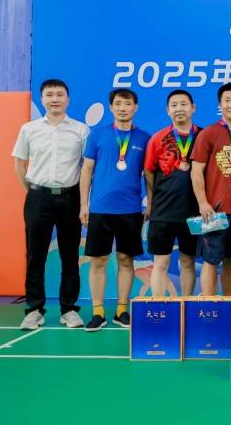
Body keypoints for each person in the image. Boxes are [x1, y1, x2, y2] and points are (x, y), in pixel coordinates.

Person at [12, 79, 89, 330]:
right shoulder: (29, 129)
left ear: (68, 99)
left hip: (70, 198)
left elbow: (87, 167)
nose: (55, 99)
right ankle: (34, 309)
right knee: (36, 256)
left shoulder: (81, 130)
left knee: (70, 256)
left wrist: (83, 201)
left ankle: (69, 309)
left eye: (59, 94)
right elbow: (18, 164)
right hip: (38, 197)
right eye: (49, 94)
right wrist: (33, 193)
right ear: (42, 99)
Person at [79, 89, 150, 331]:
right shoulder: (98, 135)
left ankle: (122, 310)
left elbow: (149, 175)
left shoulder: (144, 138)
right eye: (118, 104)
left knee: (125, 260)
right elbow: (86, 171)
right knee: (98, 260)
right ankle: (98, 312)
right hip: (100, 209)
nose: (122, 108)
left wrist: (150, 202)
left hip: (130, 210)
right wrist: (84, 204)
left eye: (127, 104)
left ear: (135, 107)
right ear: (111, 107)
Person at [191, 83, 231, 296]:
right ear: (220, 105)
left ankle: (228, 304)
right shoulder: (208, 133)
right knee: (211, 260)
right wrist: (202, 202)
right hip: (215, 212)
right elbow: (196, 172)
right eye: (227, 100)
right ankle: (210, 307)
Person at [144, 90, 202, 297]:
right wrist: (153, 202)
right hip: (163, 212)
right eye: (174, 105)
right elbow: (149, 171)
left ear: (193, 108)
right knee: (161, 262)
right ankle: (160, 308)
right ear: (168, 110)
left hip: (194, 212)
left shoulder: (203, 137)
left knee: (188, 261)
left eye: (183, 104)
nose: (179, 109)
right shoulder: (158, 138)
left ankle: (186, 305)